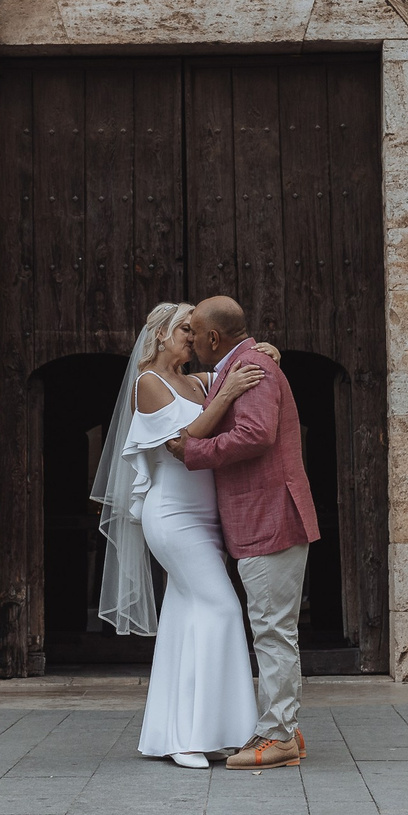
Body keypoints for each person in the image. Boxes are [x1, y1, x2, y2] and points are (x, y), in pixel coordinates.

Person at [90, 302, 271, 768]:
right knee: (224, 608)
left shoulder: (197, 382)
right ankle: (203, 732)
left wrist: (262, 355)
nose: (193, 337)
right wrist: (228, 392)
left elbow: (241, 371)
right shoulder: (147, 383)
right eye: (185, 330)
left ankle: (180, 734)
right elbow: (186, 443)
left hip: (206, 517)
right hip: (172, 515)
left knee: (185, 617)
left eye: (196, 330)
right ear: (160, 335)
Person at [169, 295, 319, 769]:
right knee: (274, 627)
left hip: (269, 517)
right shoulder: (247, 364)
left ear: (215, 337)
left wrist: (195, 450)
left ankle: (275, 736)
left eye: (194, 330)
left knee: (273, 631)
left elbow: (256, 433)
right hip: (263, 518)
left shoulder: (252, 369)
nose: (189, 338)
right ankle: (286, 727)